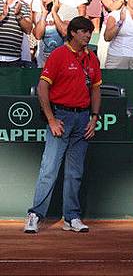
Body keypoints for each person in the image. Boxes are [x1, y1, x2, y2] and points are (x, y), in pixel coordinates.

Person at [23, 16, 101, 234]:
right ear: (73, 33)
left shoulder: (91, 58)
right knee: (49, 169)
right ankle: (35, 215)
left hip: (83, 119)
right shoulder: (58, 54)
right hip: (61, 117)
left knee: (75, 172)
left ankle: (72, 217)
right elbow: (42, 88)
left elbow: (95, 89)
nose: (88, 35)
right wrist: (51, 119)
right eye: (84, 31)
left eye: (89, 31)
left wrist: (94, 118)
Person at [33, 0, 77, 68]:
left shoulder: (69, 10)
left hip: (64, 61)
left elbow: (65, 32)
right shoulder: (41, 13)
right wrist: (44, 15)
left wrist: (54, 13)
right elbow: (38, 35)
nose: (45, 0)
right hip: (44, 63)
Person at [0, 0, 33, 67]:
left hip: (14, 60)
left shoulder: (24, 6)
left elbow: (28, 30)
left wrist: (18, 15)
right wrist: (2, 16)